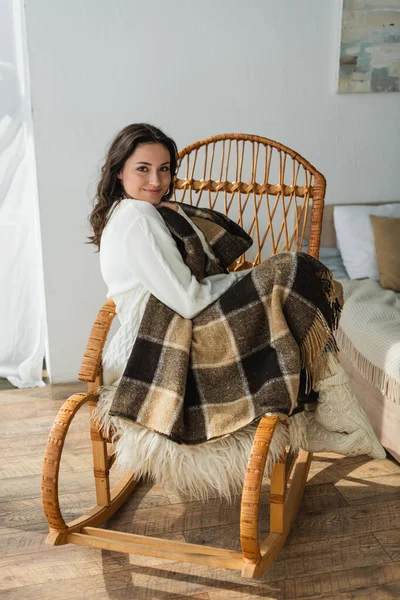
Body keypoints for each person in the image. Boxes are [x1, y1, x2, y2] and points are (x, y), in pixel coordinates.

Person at [88, 123, 385, 501]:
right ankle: (328, 409)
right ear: (119, 171)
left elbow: (191, 284)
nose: (156, 180)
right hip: (158, 340)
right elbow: (189, 299)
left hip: (168, 327)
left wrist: (181, 218)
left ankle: (324, 413)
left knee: (283, 282)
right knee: (291, 269)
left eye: (164, 169)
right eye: (143, 169)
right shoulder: (138, 219)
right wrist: (246, 280)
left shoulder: (134, 212)